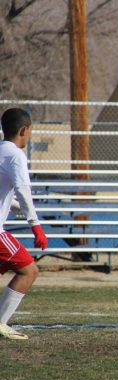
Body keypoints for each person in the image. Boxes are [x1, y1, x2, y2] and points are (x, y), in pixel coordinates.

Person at [0, 108, 47, 340]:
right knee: (29, 270)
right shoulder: (15, 154)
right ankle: (1, 323)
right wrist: (35, 225)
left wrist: (14, 207)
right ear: (24, 130)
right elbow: (22, 189)